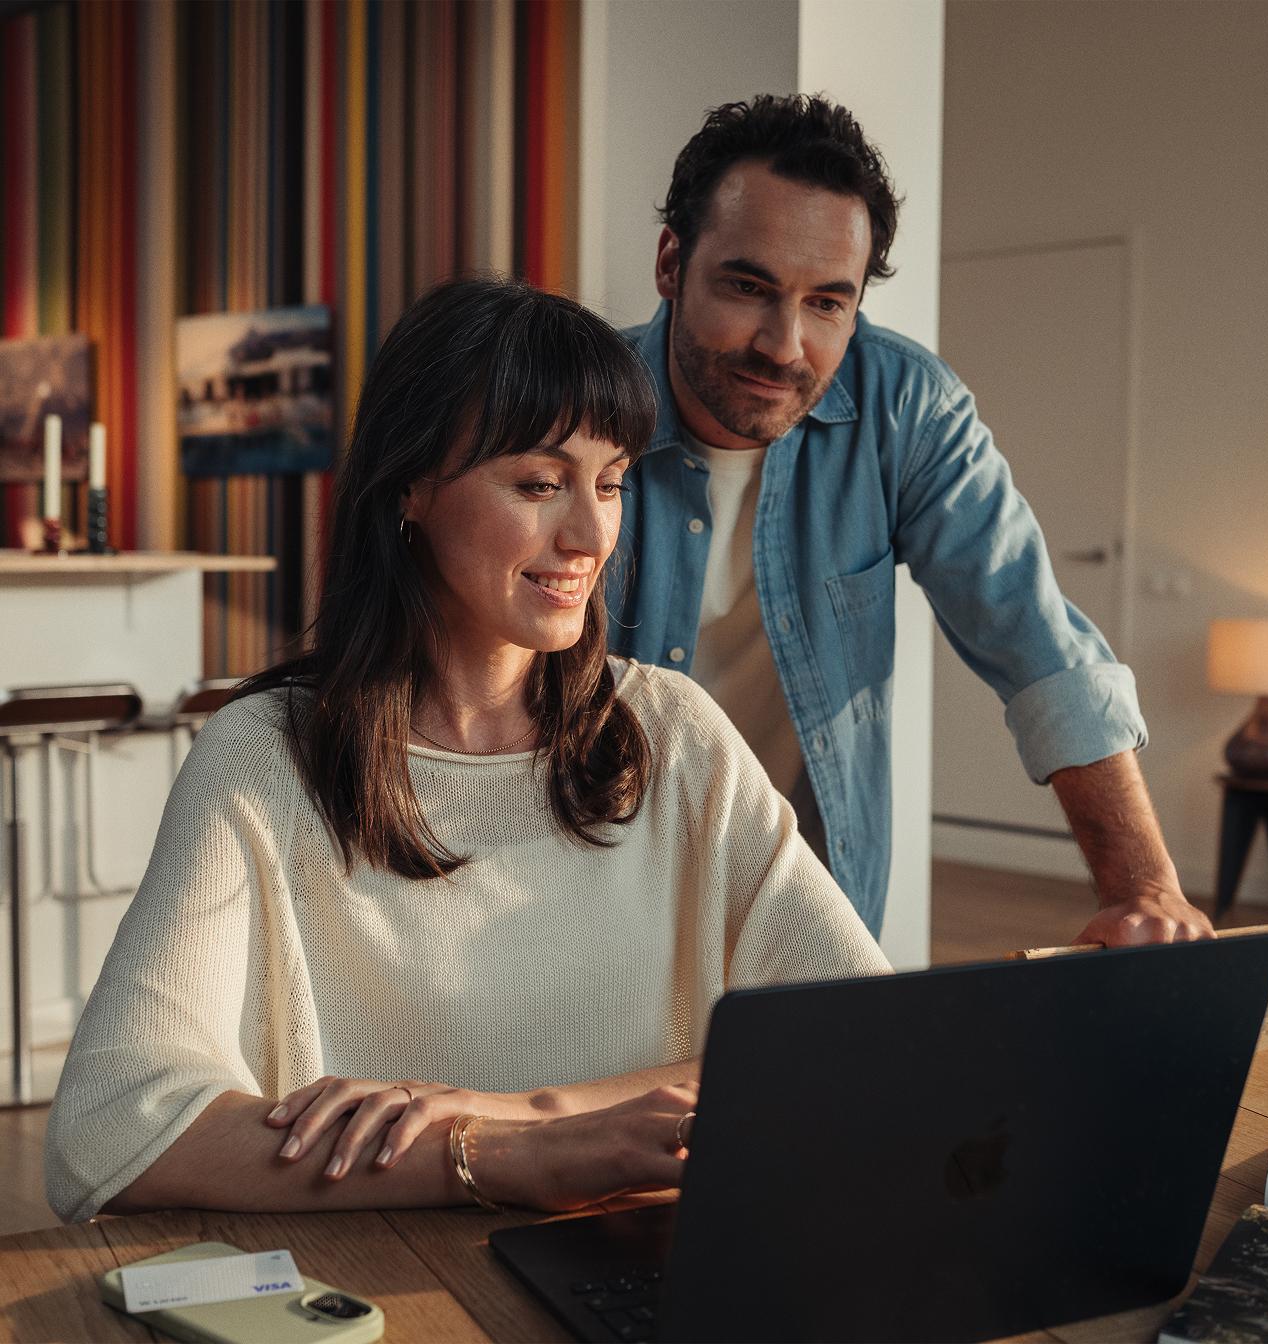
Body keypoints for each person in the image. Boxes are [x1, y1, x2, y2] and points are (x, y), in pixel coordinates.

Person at [44, 278, 888, 1225]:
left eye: (608, 483)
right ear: (410, 488)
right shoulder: (265, 759)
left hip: (639, 1274)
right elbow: (111, 1128)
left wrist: (531, 1117)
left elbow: (874, 1046)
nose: (588, 533)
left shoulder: (674, 735)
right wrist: (493, 1159)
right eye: (537, 483)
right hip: (377, 1295)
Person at [610, 94, 1212, 946]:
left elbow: (1039, 644)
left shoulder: (907, 409)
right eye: (749, 287)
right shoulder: (571, 408)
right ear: (672, 262)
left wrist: (1142, 887)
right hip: (599, 885)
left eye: (827, 303)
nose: (785, 345)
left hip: (805, 896)